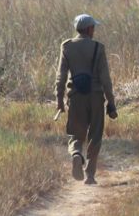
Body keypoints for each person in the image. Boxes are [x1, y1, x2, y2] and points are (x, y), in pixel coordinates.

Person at [56, 14, 118, 185]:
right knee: (95, 135)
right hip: (96, 97)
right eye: (93, 28)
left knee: (75, 134)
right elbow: (106, 80)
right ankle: (90, 175)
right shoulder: (99, 47)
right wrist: (111, 104)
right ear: (90, 29)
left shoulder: (67, 47)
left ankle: (76, 153)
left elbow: (60, 78)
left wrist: (59, 102)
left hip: (76, 97)